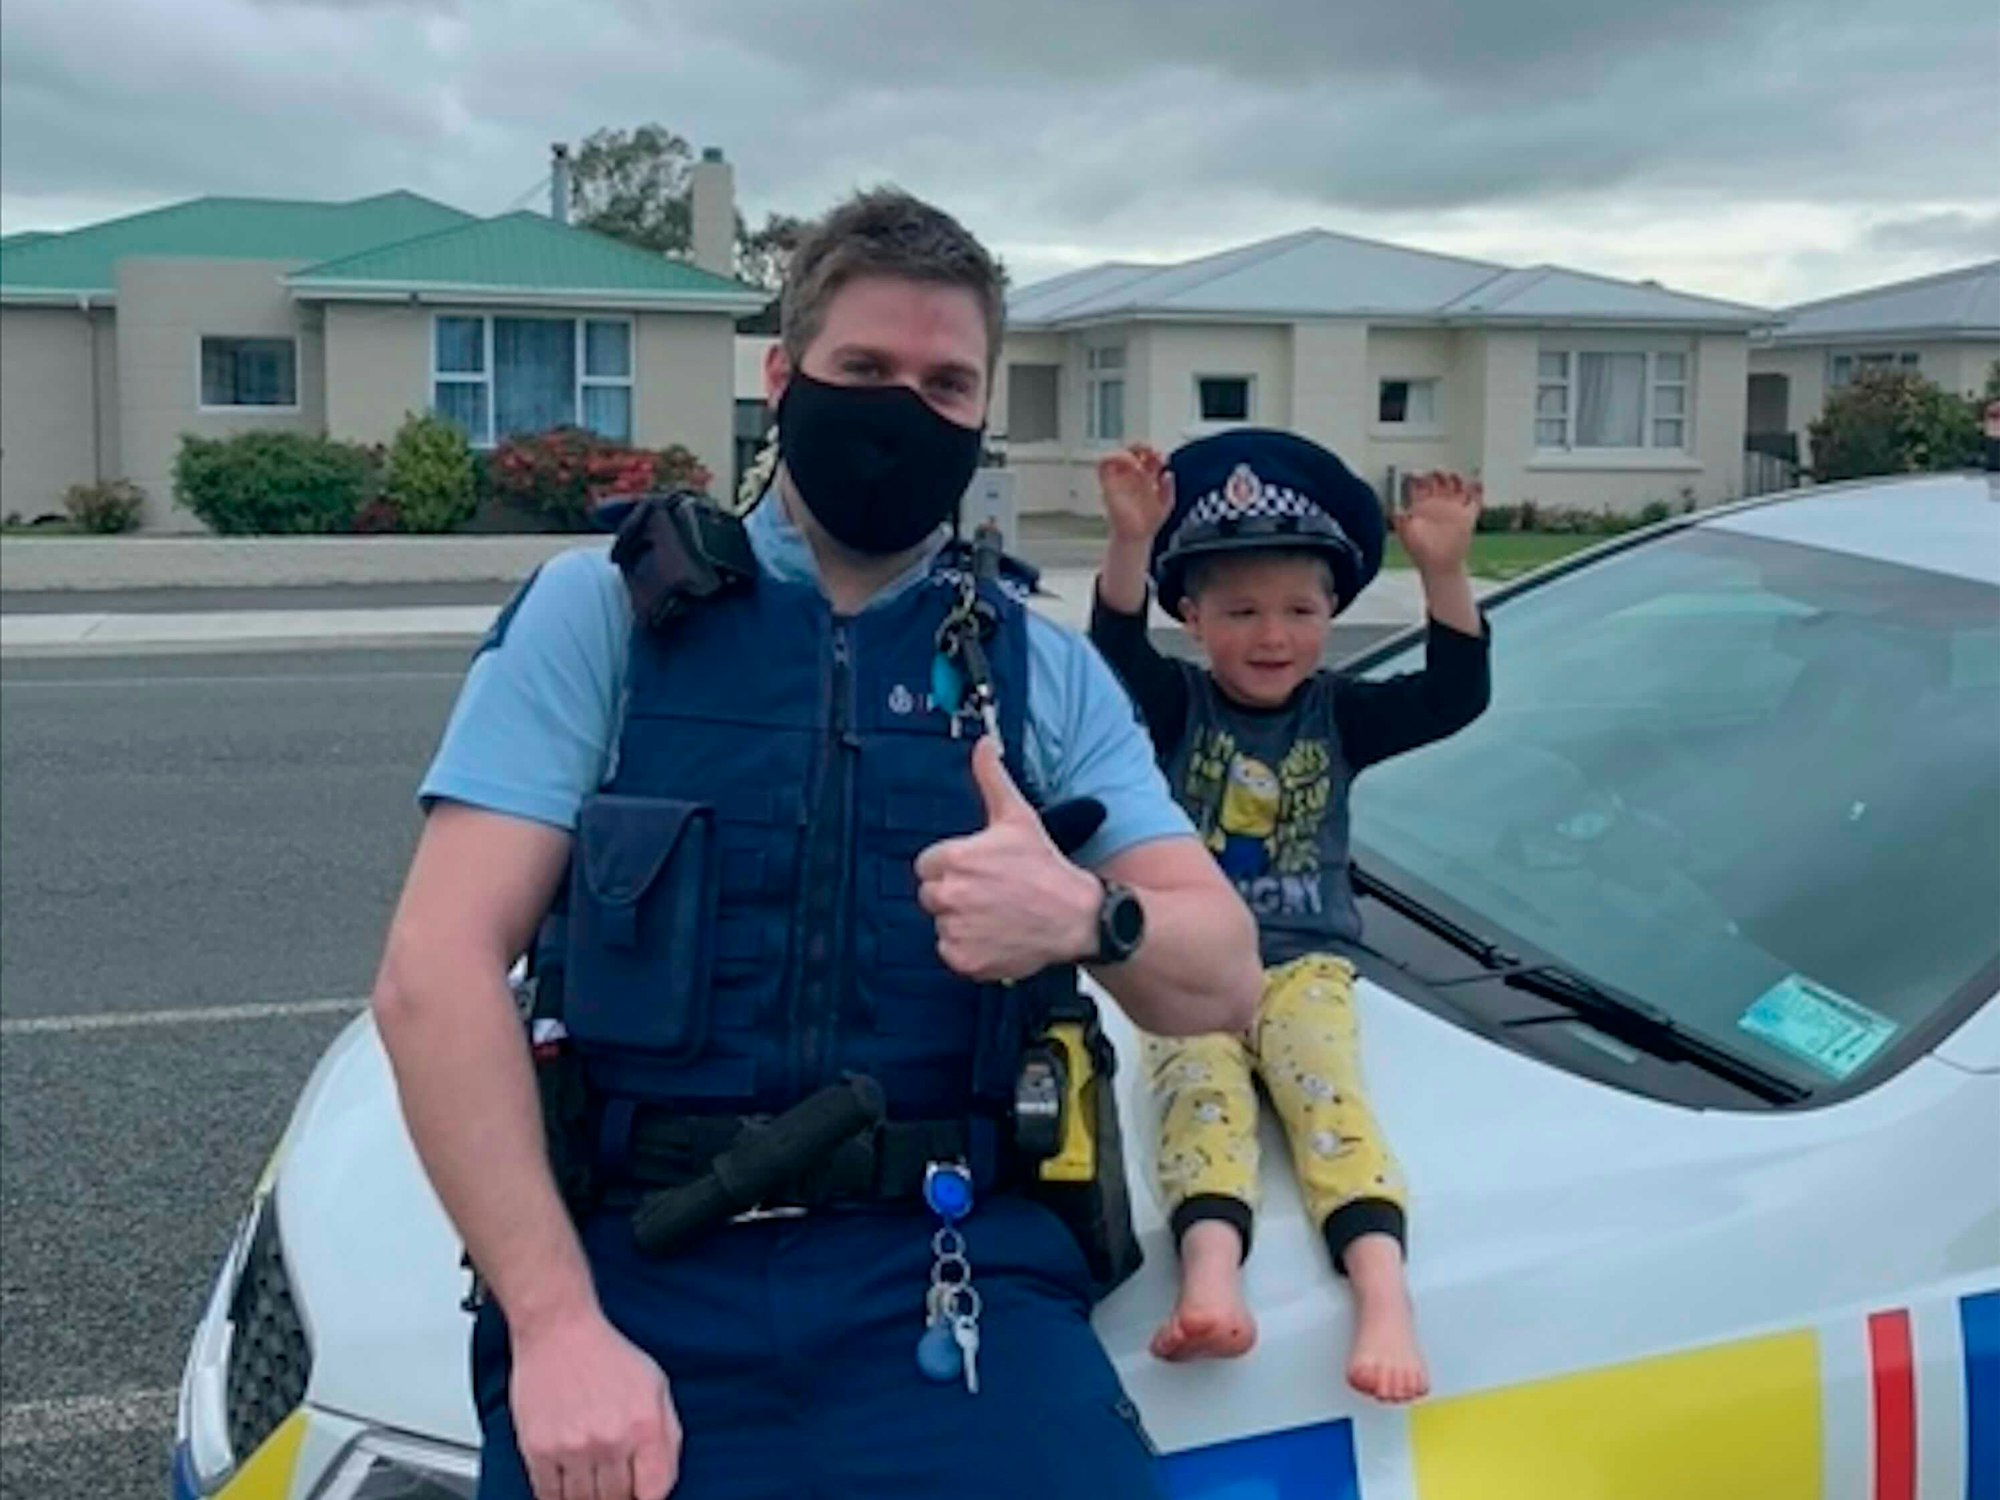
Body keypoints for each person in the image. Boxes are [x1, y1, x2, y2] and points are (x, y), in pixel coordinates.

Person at [367, 189, 1264, 1500]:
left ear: (981, 409)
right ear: (784, 378)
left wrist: (1088, 919)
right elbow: (434, 971)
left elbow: (1223, 970)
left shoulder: (1040, 669)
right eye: (865, 371)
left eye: (946, 383)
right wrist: (556, 1327)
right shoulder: (603, 617)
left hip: (947, 1277)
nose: (904, 409)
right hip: (634, 1272)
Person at [1086, 434, 1490, 1403]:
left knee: (1329, 1104)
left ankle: (1383, 1299)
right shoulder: (1175, 708)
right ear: (1191, 616)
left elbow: (1451, 695)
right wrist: (1129, 543)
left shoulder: (1337, 714)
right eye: (1240, 612)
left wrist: (1443, 570)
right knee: (1197, 1098)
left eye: (1300, 612)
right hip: (1192, 966)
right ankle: (1210, 1282)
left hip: (1306, 963)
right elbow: (1113, 656)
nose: (1273, 637)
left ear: (1331, 616)